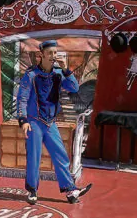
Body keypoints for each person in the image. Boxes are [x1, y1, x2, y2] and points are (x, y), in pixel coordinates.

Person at [17, 40, 92, 205]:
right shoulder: (31, 75)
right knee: (34, 157)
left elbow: (74, 88)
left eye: (55, 53)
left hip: (50, 122)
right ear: (41, 55)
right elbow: (21, 98)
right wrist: (23, 120)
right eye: (50, 53)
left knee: (61, 155)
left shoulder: (59, 73)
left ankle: (70, 190)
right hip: (34, 122)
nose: (53, 56)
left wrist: (66, 69)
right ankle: (32, 190)